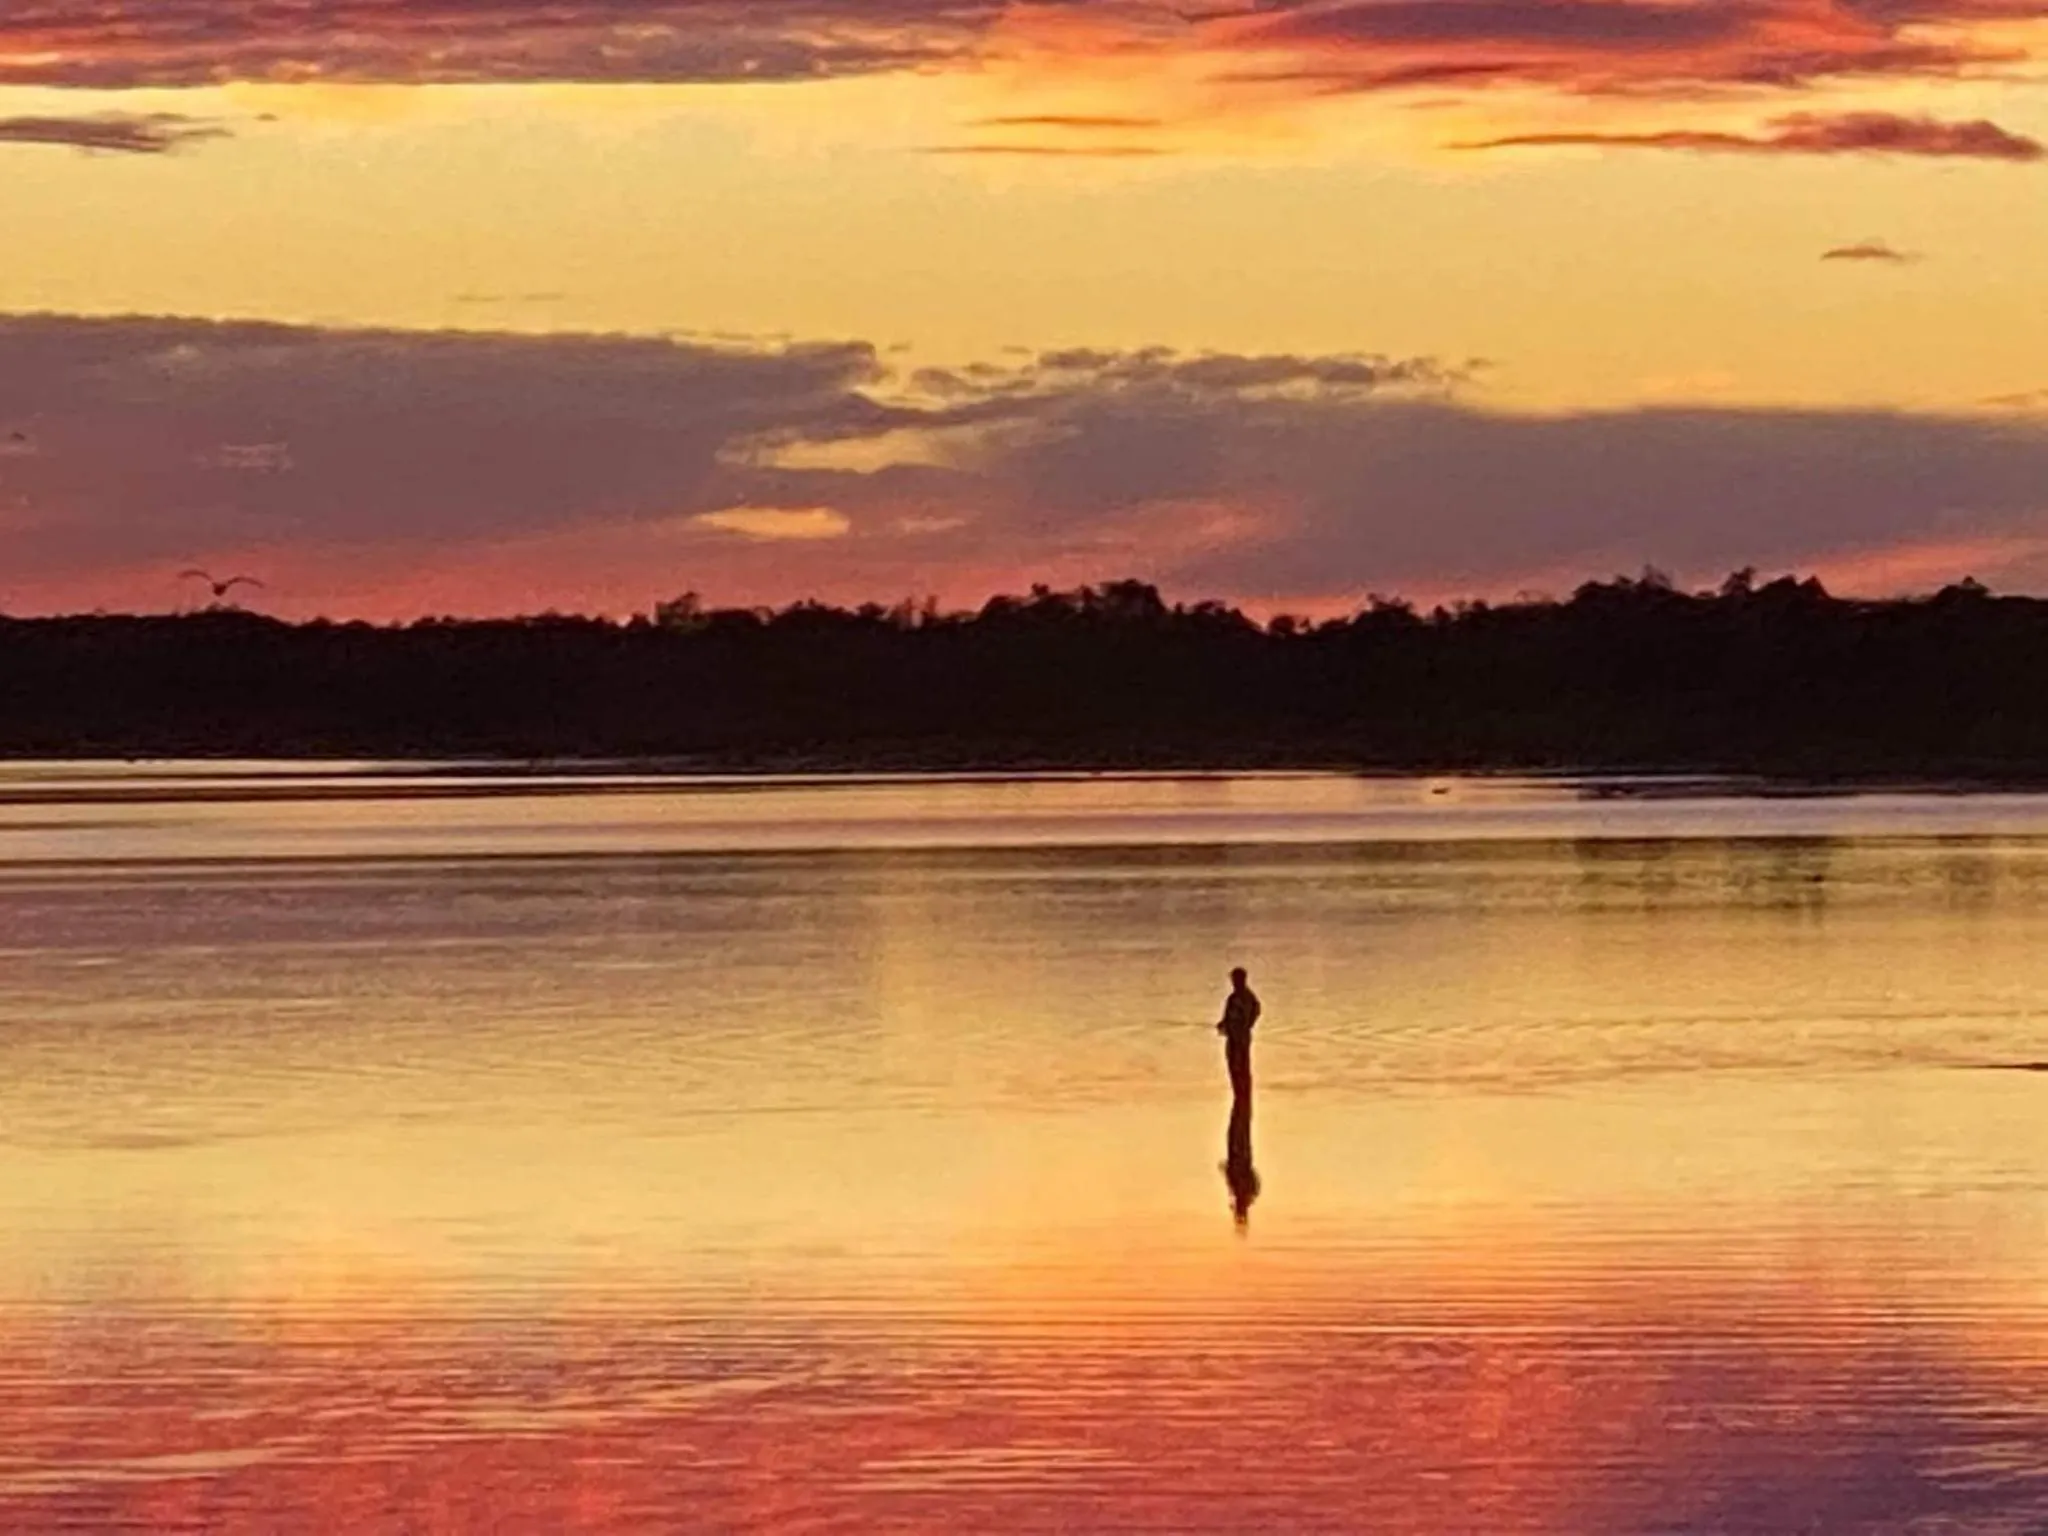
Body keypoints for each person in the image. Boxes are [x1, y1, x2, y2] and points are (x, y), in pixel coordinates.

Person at [1216, 966, 1261, 1102]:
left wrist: (1245, 1027)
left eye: (1235, 979)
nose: (1233, 982)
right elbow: (1228, 1017)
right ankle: (1239, 1093)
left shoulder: (1246, 997)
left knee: (1240, 1064)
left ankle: (1242, 1094)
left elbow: (1254, 1012)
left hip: (1240, 1038)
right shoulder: (1233, 998)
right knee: (1233, 1064)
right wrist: (1223, 1024)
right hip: (1234, 1037)